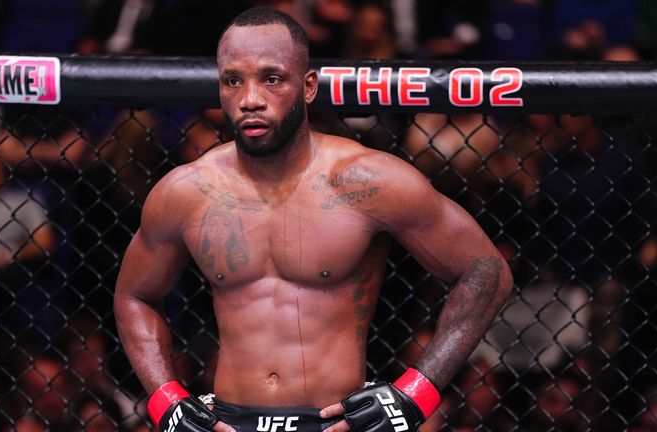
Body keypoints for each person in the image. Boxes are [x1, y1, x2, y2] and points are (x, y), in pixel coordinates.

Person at [114, 7, 513, 432]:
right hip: (228, 420)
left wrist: (416, 395)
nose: (250, 99)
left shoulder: (366, 180)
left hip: (336, 420)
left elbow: (487, 272)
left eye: (271, 78)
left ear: (307, 87)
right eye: (233, 80)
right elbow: (134, 296)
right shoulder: (187, 192)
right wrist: (167, 401)